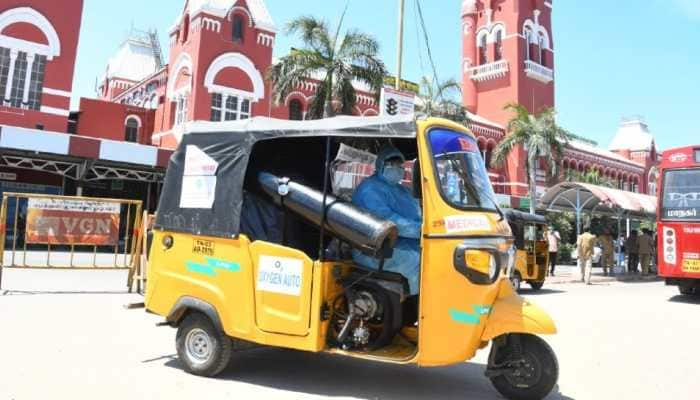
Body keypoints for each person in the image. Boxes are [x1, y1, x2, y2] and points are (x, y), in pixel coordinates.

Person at [352, 146, 422, 295]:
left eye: (400, 166)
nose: (397, 169)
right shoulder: (369, 189)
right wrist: (420, 229)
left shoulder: (402, 190)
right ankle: (417, 304)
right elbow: (387, 221)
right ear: (381, 165)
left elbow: (417, 213)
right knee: (419, 260)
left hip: (402, 241)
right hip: (373, 248)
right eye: (392, 165)